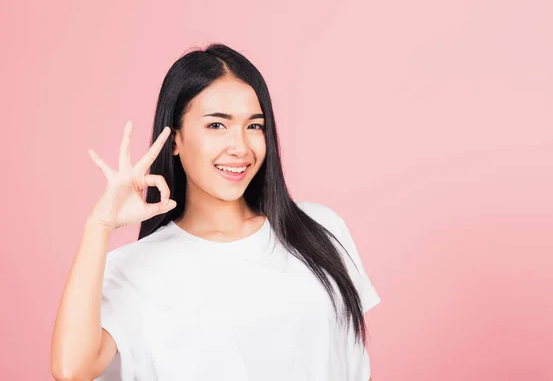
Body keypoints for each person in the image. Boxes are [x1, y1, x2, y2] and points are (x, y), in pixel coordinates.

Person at [50, 44, 381, 381]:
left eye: (254, 126)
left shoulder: (320, 230)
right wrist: (99, 225)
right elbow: (72, 368)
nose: (239, 147)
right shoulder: (133, 270)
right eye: (217, 126)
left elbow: (353, 363)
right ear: (175, 139)